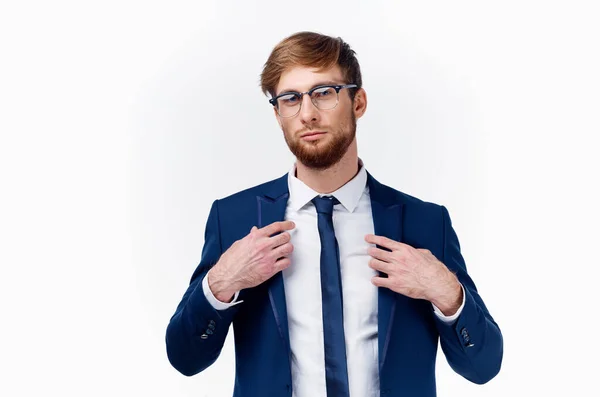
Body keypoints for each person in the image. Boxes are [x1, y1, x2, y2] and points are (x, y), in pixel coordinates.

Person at [165, 31, 503, 397]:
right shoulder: (234, 218)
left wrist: (445, 291)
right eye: (291, 99)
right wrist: (220, 285)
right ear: (278, 114)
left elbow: (483, 367)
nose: (307, 113)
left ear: (358, 102)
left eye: (324, 93)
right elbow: (185, 358)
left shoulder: (425, 223)